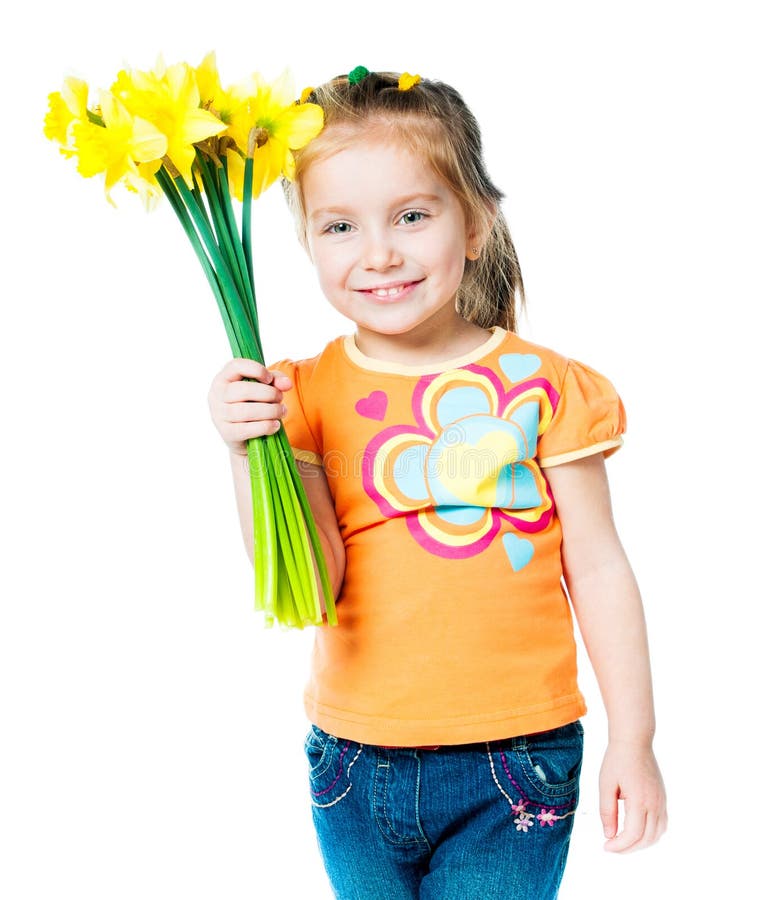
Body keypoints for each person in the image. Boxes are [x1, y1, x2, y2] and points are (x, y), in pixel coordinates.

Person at [207, 67, 667, 899]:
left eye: (412, 216)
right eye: (339, 225)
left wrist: (632, 739)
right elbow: (311, 586)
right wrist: (248, 456)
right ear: (308, 242)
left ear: (478, 223)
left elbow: (598, 569)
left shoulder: (547, 386)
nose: (378, 253)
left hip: (515, 761)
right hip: (352, 760)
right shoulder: (299, 396)